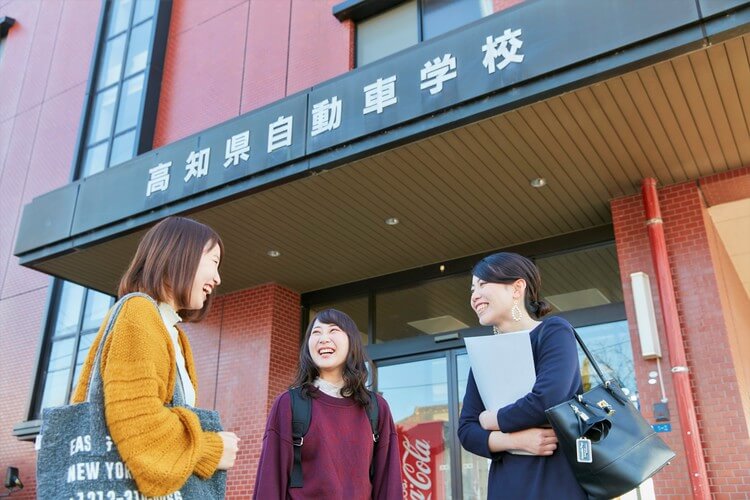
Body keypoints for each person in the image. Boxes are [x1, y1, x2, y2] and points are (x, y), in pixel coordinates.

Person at [72, 216, 240, 497]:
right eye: (213, 261)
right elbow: (138, 426)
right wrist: (211, 448)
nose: (218, 278)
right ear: (179, 255)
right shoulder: (138, 314)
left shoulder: (173, 332)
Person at [457, 252, 587, 499]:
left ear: (517, 288)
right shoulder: (485, 354)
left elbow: (548, 399)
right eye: (472, 288)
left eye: (483, 284)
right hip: (506, 486)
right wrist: (517, 441)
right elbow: (466, 431)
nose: (474, 296)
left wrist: (493, 420)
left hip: (556, 481)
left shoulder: (553, 331)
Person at [253, 309, 403, 499]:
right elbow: (269, 484)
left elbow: (389, 486)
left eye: (333, 331)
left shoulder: (376, 408)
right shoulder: (289, 404)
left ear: (351, 341)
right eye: (316, 333)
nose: (323, 339)